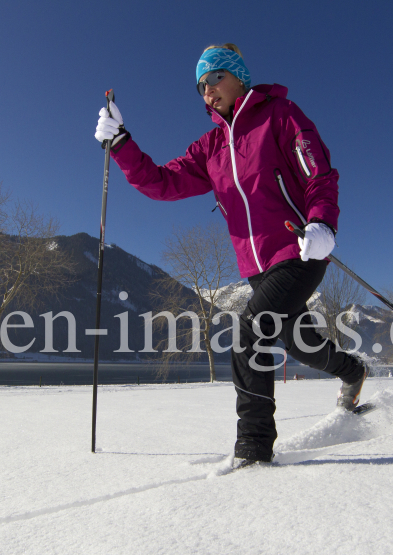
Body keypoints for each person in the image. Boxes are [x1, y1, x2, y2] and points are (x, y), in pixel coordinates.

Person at [94, 43, 367, 466]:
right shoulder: (211, 148)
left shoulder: (281, 115)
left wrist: (322, 223)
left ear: (239, 76)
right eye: (200, 85)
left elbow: (318, 173)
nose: (207, 90)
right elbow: (162, 182)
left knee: (251, 331)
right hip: (255, 269)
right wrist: (122, 144)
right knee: (302, 343)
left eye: (215, 78)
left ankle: (254, 448)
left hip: (299, 250)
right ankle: (352, 370)